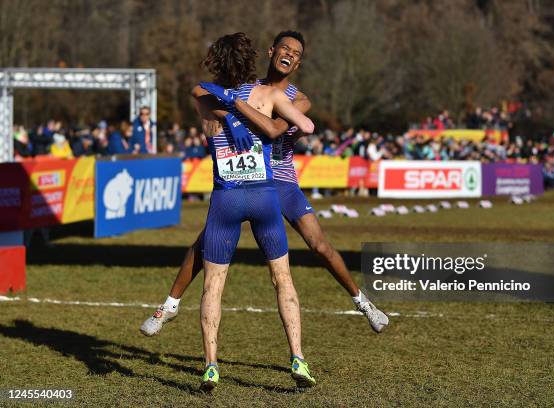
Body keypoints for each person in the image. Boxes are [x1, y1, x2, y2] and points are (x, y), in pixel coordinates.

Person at [141, 31, 388, 340]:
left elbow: (275, 129)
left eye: (296, 53)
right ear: (272, 51)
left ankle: (363, 304)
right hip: (245, 179)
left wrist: (245, 115)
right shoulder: (248, 86)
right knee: (205, 244)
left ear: (297, 64)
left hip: (281, 179)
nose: (289, 54)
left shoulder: (299, 100)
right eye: (284, 47)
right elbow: (204, 95)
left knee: (319, 244)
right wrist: (229, 116)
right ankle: (169, 306)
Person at [172, 32, 315, 389]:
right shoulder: (267, 95)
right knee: (282, 279)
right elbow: (308, 125)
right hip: (265, 197)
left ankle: (210, 364)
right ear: (252, 61)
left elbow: (197, 90)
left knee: (214, 285)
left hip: (226, 201)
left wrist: (230, 111)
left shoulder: (208, 102)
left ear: (214, 63)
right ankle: (297, 357)